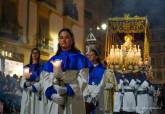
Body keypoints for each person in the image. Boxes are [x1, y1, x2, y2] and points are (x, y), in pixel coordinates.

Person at [43, 28, 92, 114]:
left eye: (66, 37)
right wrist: (51, 93)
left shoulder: (80, 59)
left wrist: (68, 89)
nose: (63, 40)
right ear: (59, 40)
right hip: (56, 100)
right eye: (61, 38)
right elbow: (45, 79)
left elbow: (83, 80)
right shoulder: (53, 59)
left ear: (72, 40)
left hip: (73, 99)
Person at [20, 48, 43, 114]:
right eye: (33, 53)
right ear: (31, 55)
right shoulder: (26, 67)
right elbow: (23, 81)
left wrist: (35, 84)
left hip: (36, 93)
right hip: (27, 93)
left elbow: (42, 81)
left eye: (36, 53)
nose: (35, 54)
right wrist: (26, 84)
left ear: (39, 55)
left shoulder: (41, 67)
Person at [83, 49, 106, 114]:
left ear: (96, 57)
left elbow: (101, 85)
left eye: (91, 55)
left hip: (97, 96)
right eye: (88, 55)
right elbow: (83, 82)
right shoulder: (86, 69)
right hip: (86, 96)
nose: (89, 56)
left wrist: (94, 97)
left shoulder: (102, 69)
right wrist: (86, 95)